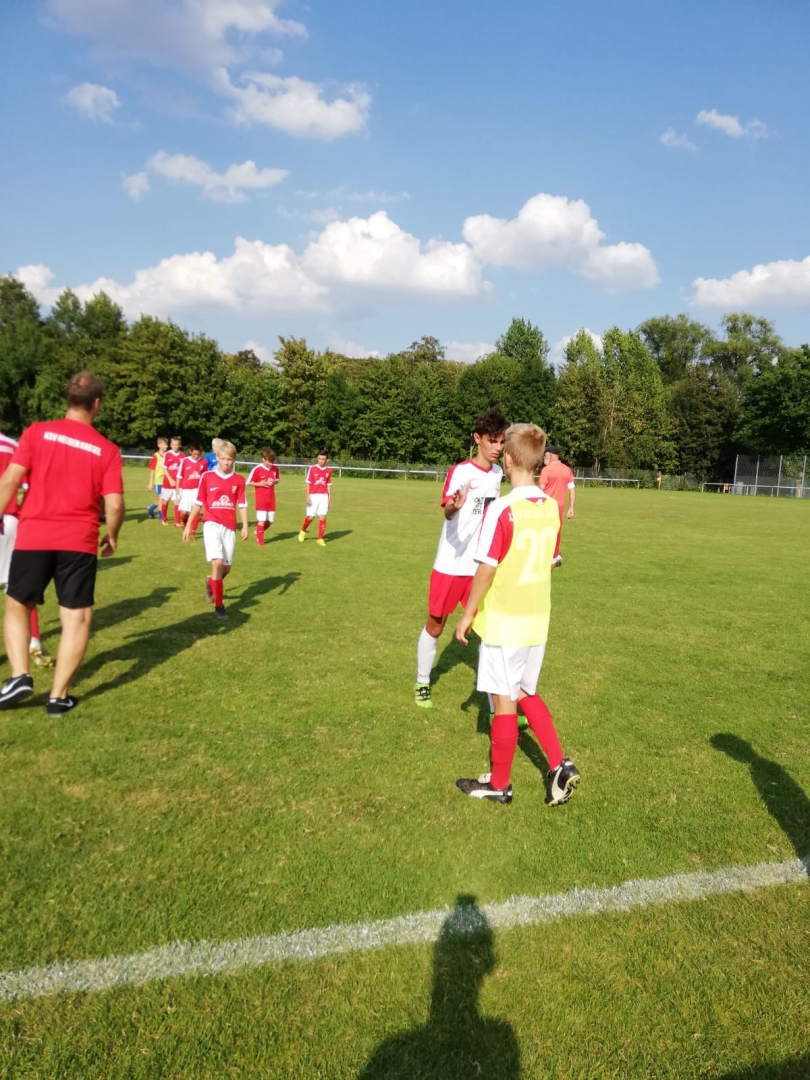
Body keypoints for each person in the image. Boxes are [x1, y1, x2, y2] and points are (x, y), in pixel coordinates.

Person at [454, 423, 580, 807]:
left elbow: (486, 567)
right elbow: (553, 560)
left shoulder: (502, 509)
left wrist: (468, 613)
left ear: (508, 459)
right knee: (525, 691)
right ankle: (559, 764)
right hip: (537, 619)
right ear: (539, 460)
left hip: (505, 622)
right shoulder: (552, 508)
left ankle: (500, 784)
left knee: (505, 700)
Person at [0, 372, 124, 715]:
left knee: (18, 603)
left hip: (34, 535)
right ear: (97, 404)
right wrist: (112, 535)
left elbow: (10, 480)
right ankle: (58, 697)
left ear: (67, 398)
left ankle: (19, 675)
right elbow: (114, 505)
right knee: (76, 618)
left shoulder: (36, 432)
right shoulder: (107, 449)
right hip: (79, 541)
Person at [414, 408, 507, 709]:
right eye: (492, 441)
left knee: (487, 633)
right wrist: (455, 505)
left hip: (480, 566)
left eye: (501, 442)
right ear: (477, 438)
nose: (497, 447)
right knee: (436, 625)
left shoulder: (498, 474)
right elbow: (447, 511)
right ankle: (422, 682)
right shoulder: (461, 472)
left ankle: (494, 705)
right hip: (450, 564)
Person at [0, 429, 53, 667]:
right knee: (19, 589)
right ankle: (34, 642)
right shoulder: (13, 444)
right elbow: (26, 486)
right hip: (12, 521)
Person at [183, 440, 248, 622]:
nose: (226, 462)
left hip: (229, 527)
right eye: (223, 459)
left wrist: (244, 525)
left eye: (230, 459)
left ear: (234, 459)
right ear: (217, 458)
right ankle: (219, 606)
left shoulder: (239, 480)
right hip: (211, 524)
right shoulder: (207, 477)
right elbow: (198, 502)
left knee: (225, 568)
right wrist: (188, 525)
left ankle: (210, 582)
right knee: (217, 563)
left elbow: (242, 504)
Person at [538, 444, 576, 568]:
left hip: (546, 506)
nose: (544, 458)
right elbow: (572, 489)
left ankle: (543, 554)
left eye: (545, 455)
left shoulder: (546, 470)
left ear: (550, 455)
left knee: (542, 529)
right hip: (559, 507)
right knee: (556, 530)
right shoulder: (567, 469)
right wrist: (571, 507)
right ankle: (555, 555)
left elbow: (541, 489)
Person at [247, 448, 280, 546]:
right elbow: (248, 482)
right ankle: (260, 541)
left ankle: (257, 532)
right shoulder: (257, 469)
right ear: (263, 459)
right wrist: (260, 484)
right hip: (261, 499)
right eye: (269, 461)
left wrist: (275, 481)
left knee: (270, 521)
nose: (271, 464)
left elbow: (278, 479)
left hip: (271, 498)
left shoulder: (275, 469)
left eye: (272, 462)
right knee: (261, 520)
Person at [298, 449, 331, 547]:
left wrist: (329, 499)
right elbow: (308, 483)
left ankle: (320, 538)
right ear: (317, 458)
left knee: (323, 516)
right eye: (319, 458)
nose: (321, 461)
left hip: (324, 496)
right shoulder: (312, 469)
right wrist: (308, 496)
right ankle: (303, 531)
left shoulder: (329, 470)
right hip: (313, 495)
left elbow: (329, 485)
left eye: (323, 459)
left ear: (327, 460)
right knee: (310, 517)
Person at [176, 443, 207, 533]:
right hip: (186, 490)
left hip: (197, 490)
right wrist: (177, 488)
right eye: (194, 454)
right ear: (190, 451)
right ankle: (186, 525)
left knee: (195, 511)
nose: (196, 456)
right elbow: (179, 475)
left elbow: (205, 477)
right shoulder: (185, 461)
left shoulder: (204, 462)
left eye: (198, 454)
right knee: (183, 513)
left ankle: (193, 532)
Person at [159, 436, 184, 527]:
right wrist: (170, 480)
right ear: (170, 444)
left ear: (180, 445)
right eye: (173, 444)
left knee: (177, 501)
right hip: (167, 483)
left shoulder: (183, 456)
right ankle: (164, 519)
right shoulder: (167, 454)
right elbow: (164, 468)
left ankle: (177, 522)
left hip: (178, 484)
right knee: (165, 501)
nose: (175, 446)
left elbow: (183, 470)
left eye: (176, 445)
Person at [146, 436, 168, 519]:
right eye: (164, 444)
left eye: (166, 444)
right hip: (158, 481)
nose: (166, 446)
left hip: (166, 481)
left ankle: (151, 508)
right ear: (159, 445)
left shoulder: (167, 455)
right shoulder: (156, 456)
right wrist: (151, 482)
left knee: (162, 498)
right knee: (161, 498)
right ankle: (161, 516)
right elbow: (152, 470)